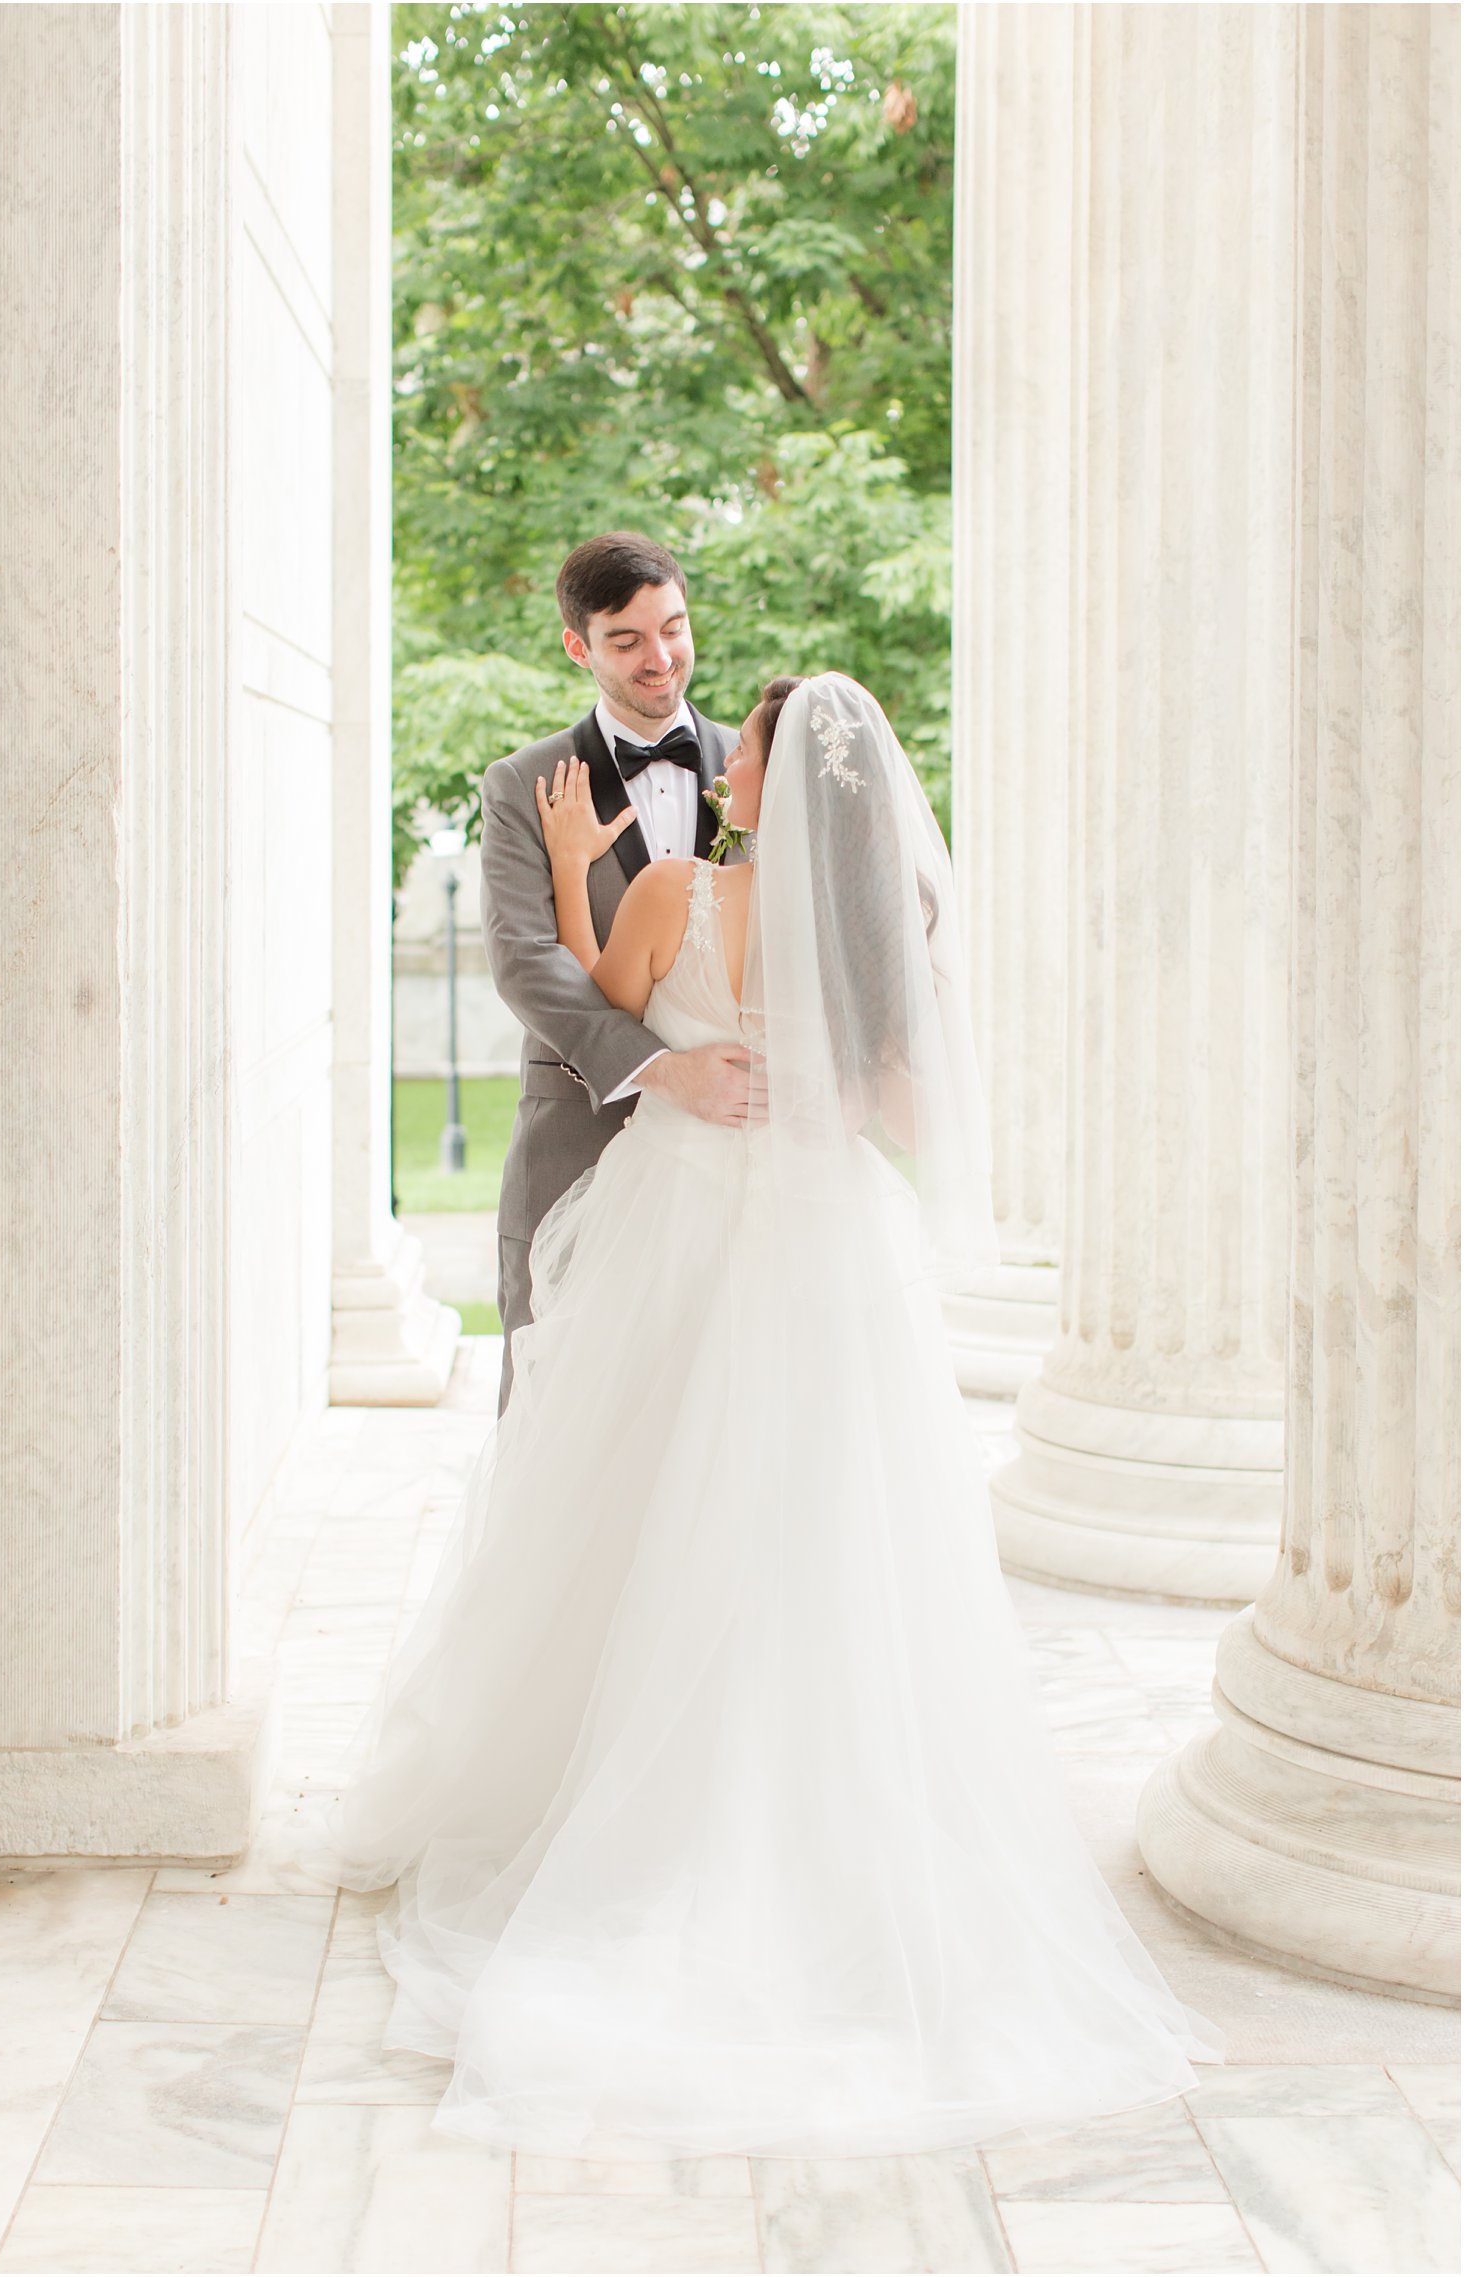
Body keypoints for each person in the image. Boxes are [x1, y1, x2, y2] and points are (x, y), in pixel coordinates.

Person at [304, 671, 1224, 2159]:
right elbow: (918, 1124)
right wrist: (839, 1084)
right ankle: (832, 1820)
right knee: (830, 1526)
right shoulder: (878, 947)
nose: (726, 752)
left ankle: (634, 1812)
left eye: (748, 743)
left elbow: (611, 1010)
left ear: (774, 781)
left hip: (688, 1232)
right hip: (829, 1245)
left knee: (644, 1510)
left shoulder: (678, 886)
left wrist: (593, 881)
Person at [477, 531, 754, 1413]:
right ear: (578, 646)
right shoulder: (522, 785)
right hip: (577, 1140)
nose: (660, 657)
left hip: (730, 1158)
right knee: (555, 1413)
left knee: (709, 1422)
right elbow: (527, 962)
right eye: (626, 639)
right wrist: (664, 1069)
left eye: (672, 627)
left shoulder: (760, 772)